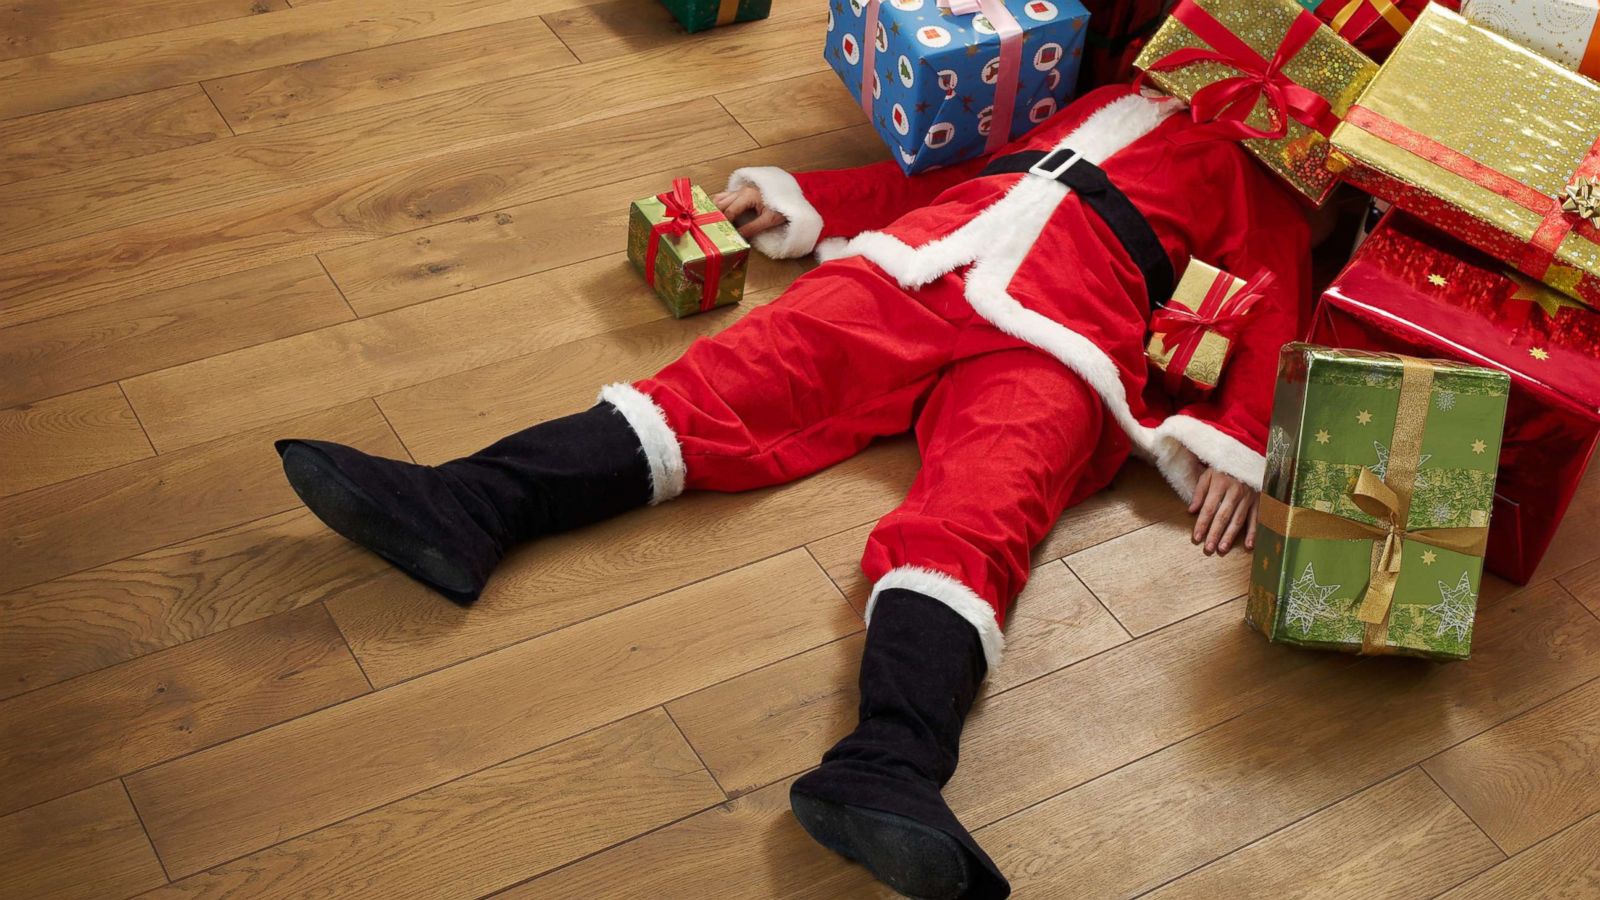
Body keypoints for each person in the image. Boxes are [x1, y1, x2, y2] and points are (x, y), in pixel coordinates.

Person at [274, 83, 1314, 900]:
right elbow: (941, 180)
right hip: (913, 269)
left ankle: (893, 764)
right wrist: (804, 202)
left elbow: (1271, 304)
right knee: (723, 384)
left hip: (1063, 340)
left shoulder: (1263, 177)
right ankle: (471, 505)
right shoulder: (1087, 97)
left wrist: (1233, 443)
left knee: (982, 514)